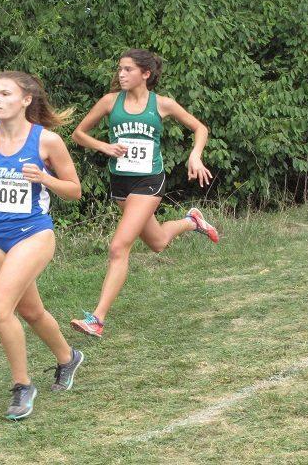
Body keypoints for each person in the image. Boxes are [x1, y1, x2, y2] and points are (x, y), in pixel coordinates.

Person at [0, 71, 84, 420]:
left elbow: (75, 191)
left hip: (33, 233)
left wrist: (45, 178)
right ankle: (68, 358)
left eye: (5, 94)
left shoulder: (47, 141)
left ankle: (22, 386)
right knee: (30, 310)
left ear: (26, 100)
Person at [69, 49, 219, 338]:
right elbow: (78, 134)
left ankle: (97, 319)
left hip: (149, 181)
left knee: (118, 247)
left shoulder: (162, 104)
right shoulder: (110, 102)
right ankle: (193, 221)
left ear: (145, 74)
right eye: (120, 69)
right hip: (121, 184)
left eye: (127, 70)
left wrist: (195, 155)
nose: (121, 74)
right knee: (158, 242)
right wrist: (104, 146)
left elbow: (199, 127)